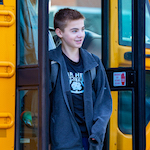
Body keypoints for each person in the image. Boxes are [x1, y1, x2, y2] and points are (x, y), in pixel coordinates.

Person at [48, 8, 112, 150]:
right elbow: (43, 103)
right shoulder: (50, 62)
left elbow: (104, 102)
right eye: (74, 31)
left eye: (82, 29)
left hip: (89, 140)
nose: (81, 35)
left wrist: (97, 134)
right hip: (62, 142)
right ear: (59, 33)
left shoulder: (94, 62)